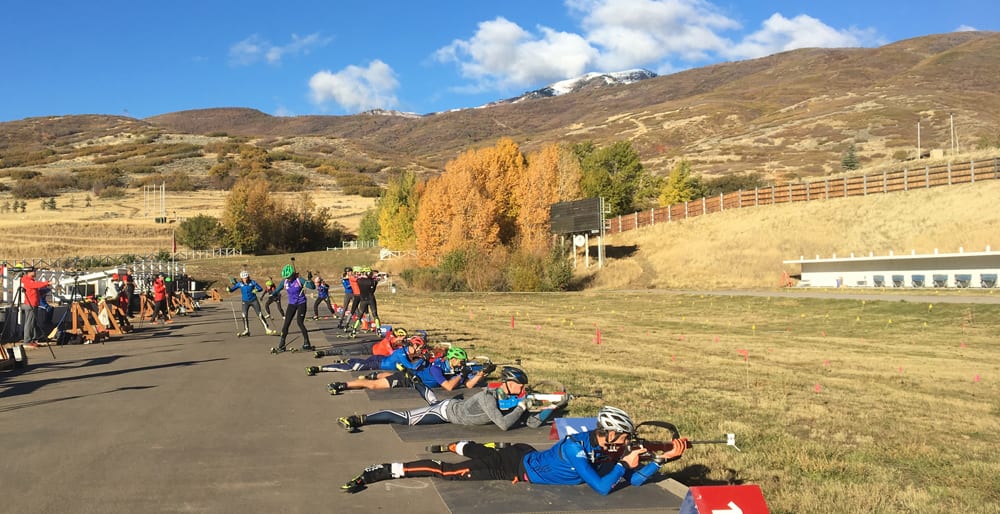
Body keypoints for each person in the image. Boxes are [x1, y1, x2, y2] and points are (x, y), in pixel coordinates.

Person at [341, 406, 688, 495]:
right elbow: (602, 487)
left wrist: (659, 460)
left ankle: (457, 444)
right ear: (610, 434)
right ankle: (383, 469)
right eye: (624, 438)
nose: (628, 444)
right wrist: (626, 464)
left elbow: (635, 480)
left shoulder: (606, 450)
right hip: (514, 469)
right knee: (450, 469)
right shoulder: (577, 452)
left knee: (480, 448)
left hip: (522, 454)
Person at [338, 365, 533, 432]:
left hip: (451, 405)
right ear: (507, 383)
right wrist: (522, 407)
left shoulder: (503, 396)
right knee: (404, 418)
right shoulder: (488, 397)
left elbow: (530, 421)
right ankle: (358, 419)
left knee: (433, 400)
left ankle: (413, 380)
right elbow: (504, 425)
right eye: (520, 385)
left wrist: (550, 406)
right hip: (446, 411)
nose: (522, 388)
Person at [328, 346, 486, 395]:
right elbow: (449, 387)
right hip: (409, 378)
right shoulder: (437, 368)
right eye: (460, 361)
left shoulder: (454, 370)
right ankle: (342, 385)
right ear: (452, 359)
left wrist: (481, 374)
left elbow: (470, 385)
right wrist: (461, 374)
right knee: (373, 385)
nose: (463, 364)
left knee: (388, 375)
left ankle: (377, 374)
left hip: (414, 378)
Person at [306, 335, 427, 376]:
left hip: (380, 359)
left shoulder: (405, 350)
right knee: (353, 368)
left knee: (358, 362)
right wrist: (423, 360)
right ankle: (320, 368)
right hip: (377, 362)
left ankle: (349, 360)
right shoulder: (402, 353)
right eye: (420, 348)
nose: (420, 350)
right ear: (414, 345)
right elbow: (412, 367)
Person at [270, 263, 316, 353]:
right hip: (291, 304)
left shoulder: (299, 280)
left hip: (301, 303)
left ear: (293, 274)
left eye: (289, 277)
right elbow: (277, 290)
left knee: (300, 322)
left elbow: (312, 287)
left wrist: (310, 280)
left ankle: (307, 344)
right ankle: (282, 345)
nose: (288, 279)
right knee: (286, 324)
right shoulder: (285, 282)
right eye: (286, 277)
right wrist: (272, 295)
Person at [227, 271, 276, 337]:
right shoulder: (239, 284)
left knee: (260, 314)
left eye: (246, 278)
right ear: (241, 278)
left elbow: (260, 288)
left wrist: (256, 290)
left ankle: (267, 328)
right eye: (244, 278)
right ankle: (246, 330)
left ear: (248, 277)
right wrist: (229, 289)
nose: (245, 279)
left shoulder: (253, 282)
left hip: (254, 300)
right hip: (245, 302)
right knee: (244, 315)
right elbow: (232, 290)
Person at [19, 268, 50, 344]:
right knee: (29, 323)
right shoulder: (27, 280)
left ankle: (32, 339)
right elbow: (35, 285)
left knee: (32, 323)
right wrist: (46, 283)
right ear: (29, 272)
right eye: (34, 271)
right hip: (30, 304)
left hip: (34, 303)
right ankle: (27, 340)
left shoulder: (30, 280)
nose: (35, 272)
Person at [349, 267, 380, 336]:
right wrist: (375, 283)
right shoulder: (372, 281)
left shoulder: (359, 280)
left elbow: (358, 278)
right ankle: (378, 329)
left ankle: (354, 330)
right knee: (375, 315)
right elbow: (372, 291)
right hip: (371, 299)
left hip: (363, 299)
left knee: (359, 316)